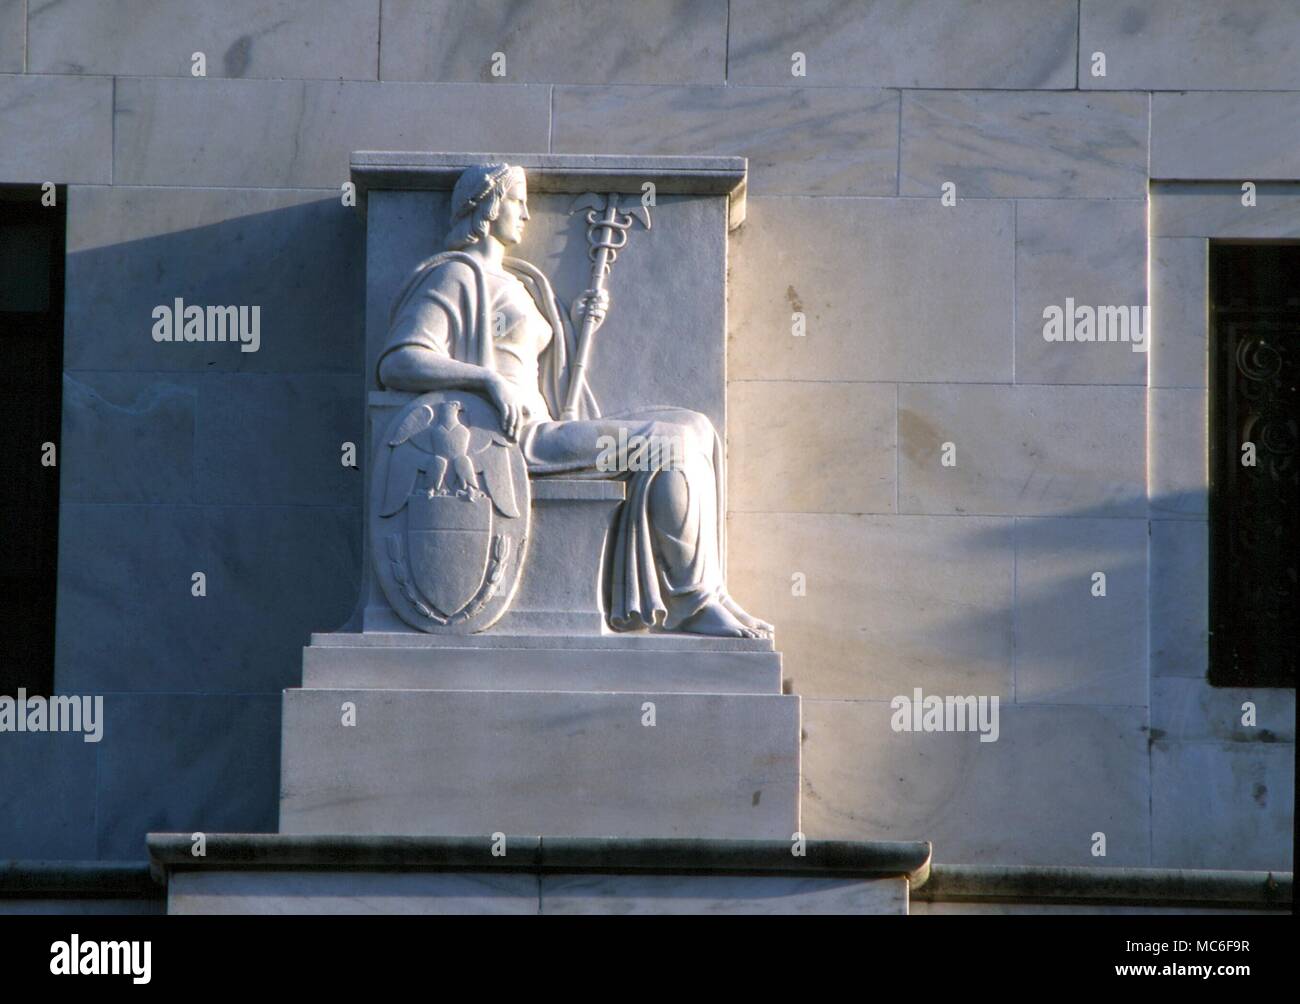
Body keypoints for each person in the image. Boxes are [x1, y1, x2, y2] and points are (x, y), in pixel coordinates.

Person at [377, 163, 771, 640]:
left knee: (694, 428)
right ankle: (693, 602)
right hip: (516, 440)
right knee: (671, 447)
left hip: (547, 424)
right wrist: (485, 381)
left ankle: (713, 588)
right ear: (486, 206)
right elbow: (401, 360)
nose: (525, 213)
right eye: (517, 201)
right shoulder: (455, 278)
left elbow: (540, 366)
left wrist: (572, 320)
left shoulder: (520, 282)